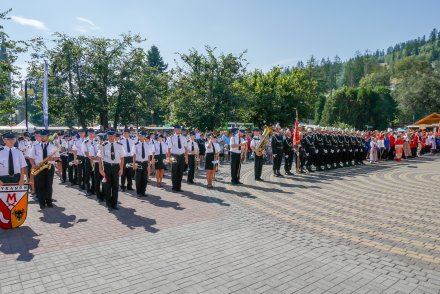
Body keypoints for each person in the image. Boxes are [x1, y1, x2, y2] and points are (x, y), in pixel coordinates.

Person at [29, 130, 60, 209]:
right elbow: (31, 157)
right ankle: (41, 203)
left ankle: (49, 201)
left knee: (49, 185)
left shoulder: (53, 147)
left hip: (49, 167)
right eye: (41, 136)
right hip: (39, 167)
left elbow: (58, 158)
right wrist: (33, 165)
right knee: (40, 185)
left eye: (44, 136)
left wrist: (52, 158)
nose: (42, 137)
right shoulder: (35, 146)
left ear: (48, 136)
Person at [98, 129, 125, 210]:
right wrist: (100, 169)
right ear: (107, 137)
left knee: (115, 186)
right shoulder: (103, 145)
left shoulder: (120, 145)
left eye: (112, 136)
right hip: (107, 167)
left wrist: (121, 169)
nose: (110, 137)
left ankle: (114, 204)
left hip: (116, 167)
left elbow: (122, 158)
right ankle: (108, 204)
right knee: (107, 186)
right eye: (109, 136)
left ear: (114, 136)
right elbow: (99, 158)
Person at [167, 125, 188, 192]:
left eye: (180, 129)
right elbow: (169, 149)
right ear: (175, 130)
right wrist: (169, 158)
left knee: (180, 172)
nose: (179, 130)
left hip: (181, 156)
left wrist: (186, 157)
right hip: (174, 156)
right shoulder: (171, 138)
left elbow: (185, 148)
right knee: (174, 172)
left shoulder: (183, 138)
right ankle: (174, 187)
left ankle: (179, 187)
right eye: (178, 129)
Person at [133, 131, 152, 197]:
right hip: (138, 163)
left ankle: (143, 191)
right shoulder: (136, 144)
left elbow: (149, 156)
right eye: (140, 136)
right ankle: (138, 192)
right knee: (138, 178)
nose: (141, 137)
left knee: (144, 178)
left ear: (145, 137)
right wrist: (134, 163)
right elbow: (134, 155)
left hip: (145, 163)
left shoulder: (147, 144)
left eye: (143, 136)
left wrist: (149, 165)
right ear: (139, 136)